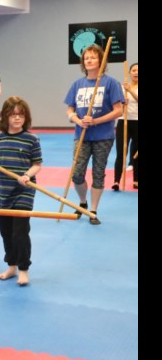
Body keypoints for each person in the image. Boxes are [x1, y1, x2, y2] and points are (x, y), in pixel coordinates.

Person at [64, 43, 124, 225]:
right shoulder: (78, 84)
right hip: (81, 135)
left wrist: (96, 121)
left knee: (98, 173)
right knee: (77, 173)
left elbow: (118, 110)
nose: (89, 60)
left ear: (101, 60)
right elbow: (69, 110)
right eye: (86, 57)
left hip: (103, 136)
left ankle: (93, 210)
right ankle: (82, 202)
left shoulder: (110, 82)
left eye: (93, 57)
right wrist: (77, 120)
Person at [0, 97, 42, 287]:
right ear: (5, 116)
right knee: (6, 232)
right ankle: (11, 266)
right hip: (3, 191)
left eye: (21, 114)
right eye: (13, 114)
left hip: (23, 192)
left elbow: (37, 164)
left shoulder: (31, 139)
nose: (17, 118)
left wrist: (27, 175)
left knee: (20, 232)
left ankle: (24, 269)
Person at [112, 62, 138, 191]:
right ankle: (117, 181)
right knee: (121, 152)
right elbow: (116, 105)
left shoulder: (130, 88)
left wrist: (131, 91)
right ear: (129, 73)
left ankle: (136, 180)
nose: (136, 72)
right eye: (134, 70)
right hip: (124, 121)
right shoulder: (122, 88)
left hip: (137, 122)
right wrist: (123, 102)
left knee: (136, 154)